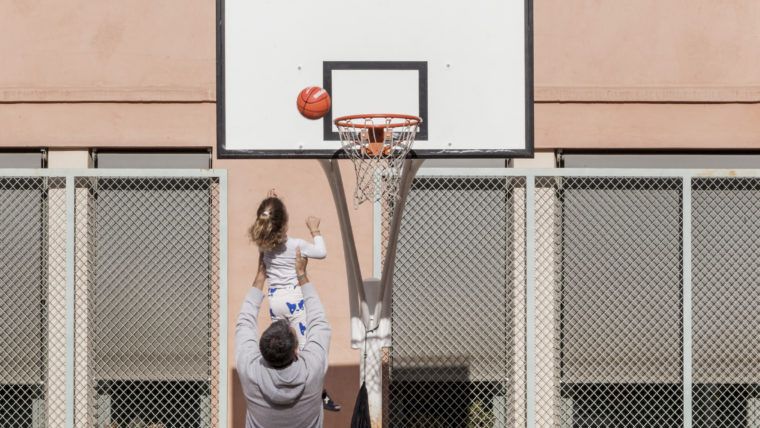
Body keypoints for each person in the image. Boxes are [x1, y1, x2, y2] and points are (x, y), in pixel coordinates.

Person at [248, 190, 340, 411]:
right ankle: (317, 393)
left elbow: (269, 221)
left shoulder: (264, 245)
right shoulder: (296, 245)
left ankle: (281, 388)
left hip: (275, 301)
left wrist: (273, 204)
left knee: (282, 346)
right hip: (295, 301)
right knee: (308, 348)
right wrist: (315, 229)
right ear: (285, 222)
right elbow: (321, 252)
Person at [236, 248, 331, 428]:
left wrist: (260, 276)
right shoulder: (312, 368)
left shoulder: (250, 370)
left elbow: (244, 323)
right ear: (296, 350)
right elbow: (319, 321)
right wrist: (301, 275)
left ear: (261, 350)